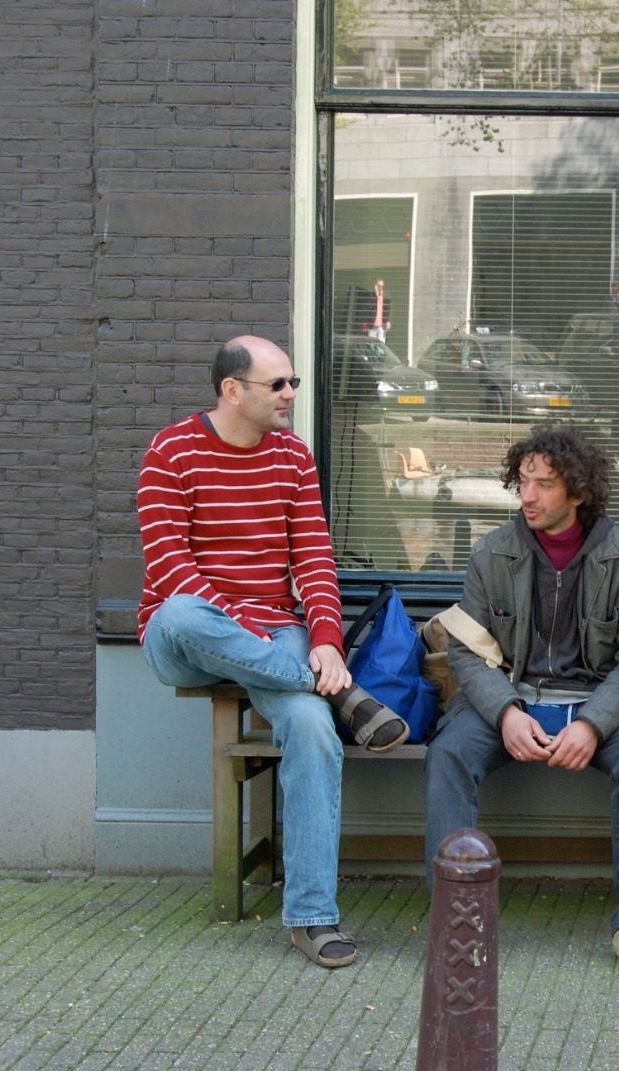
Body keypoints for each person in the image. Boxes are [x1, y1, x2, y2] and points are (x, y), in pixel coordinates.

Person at [137, 336, 408, 971]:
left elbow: (313, 559)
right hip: (191, 635)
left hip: (274, 631)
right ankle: (340, 694)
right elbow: (171, 567)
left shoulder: (292, 456)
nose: (290, 395)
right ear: (233, 390)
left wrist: (326, 640)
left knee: (312, 728)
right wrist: (259, 639)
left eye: (293, 383)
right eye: (278, 384)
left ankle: (312, 917)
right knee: (182, 611)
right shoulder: (170, 452)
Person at [423, 424, 619, 977]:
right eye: (523, 481)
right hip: (508, 697)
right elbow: (466, 650)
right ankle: (456, 921)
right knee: (448, 754)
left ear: (579, 492)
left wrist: (592, 724)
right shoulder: (492, 553)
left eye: (544, 484)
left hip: (593, 702)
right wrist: (505, 712)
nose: (528, 496)